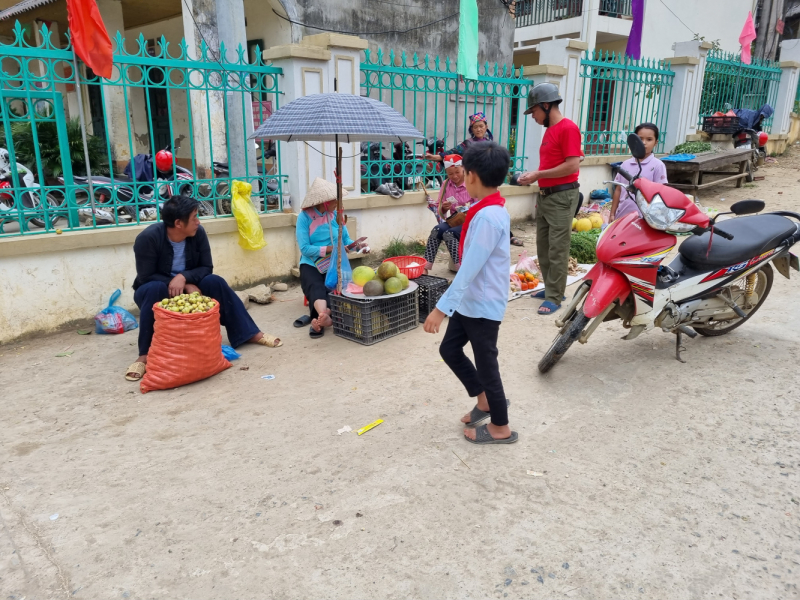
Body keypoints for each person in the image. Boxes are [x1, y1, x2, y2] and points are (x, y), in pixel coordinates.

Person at [125, 195, 281, 381]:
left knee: (214, 281)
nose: (198, 222)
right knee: (154, 288)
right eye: (194, 218)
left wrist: (185, 278)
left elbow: (206, 267)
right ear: (178, 223)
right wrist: (174, 282)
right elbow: (146, 276)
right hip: (155, 288)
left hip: (191, 286)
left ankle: (249, 333)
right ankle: (145, 354)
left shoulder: (198, 233)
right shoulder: (148, 238)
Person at [423, 142, 517, 445]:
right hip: (469, 301)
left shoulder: (489, 217)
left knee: (488, 365)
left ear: (472, 176)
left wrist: (441, 307)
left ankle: (501, 426)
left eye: (463, 172)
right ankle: (484, 401)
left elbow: (468, 269)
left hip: (483, 304)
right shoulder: (483, 209)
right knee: (449, 350)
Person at [517, 82, 582, 316]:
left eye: (534, 111)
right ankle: (551, 288)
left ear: (546, 105)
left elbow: (573, 164)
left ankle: (556, 296)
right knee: (543, 248)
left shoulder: (568, 128)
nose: (533, 116)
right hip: (546, 196)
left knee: (558, 248)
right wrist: (535, 178)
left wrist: (538, 174)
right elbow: (557, 163)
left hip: (562, 197)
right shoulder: (550, 131)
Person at [295, 178, 369, 339]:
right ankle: (324, 315)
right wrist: (330, 249)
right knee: (316, 286)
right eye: (336, 200)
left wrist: (359, 247)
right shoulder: (304, 218)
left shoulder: (337, 215)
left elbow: (346, 241)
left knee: (341, 290)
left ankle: (321, 318)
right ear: (325, 202)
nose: (338, 203)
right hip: (311, 263)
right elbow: (305, 249)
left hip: (334, 264)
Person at [610, 122, 668, 221]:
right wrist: (612, 213)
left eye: (649, 139)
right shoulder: (625, 164)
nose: (644, 143)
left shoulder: (658, 165)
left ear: (656, 142)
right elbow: (618, 190)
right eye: (640, 139)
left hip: (644, 219)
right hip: (622, 216)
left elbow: (661, 194)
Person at [423, 154, 471, 272]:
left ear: (463, 168)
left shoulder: (471, 182)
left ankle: (460, 268)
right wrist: (444, 207)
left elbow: (480, 204)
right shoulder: (446, 184)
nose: (454, 176)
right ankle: (425, 267)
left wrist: (467, 208)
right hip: (455, 220)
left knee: (449, 234)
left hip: (470, 221)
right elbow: (439, 208)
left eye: (457, 172)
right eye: (450, 174)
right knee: (437, 230)